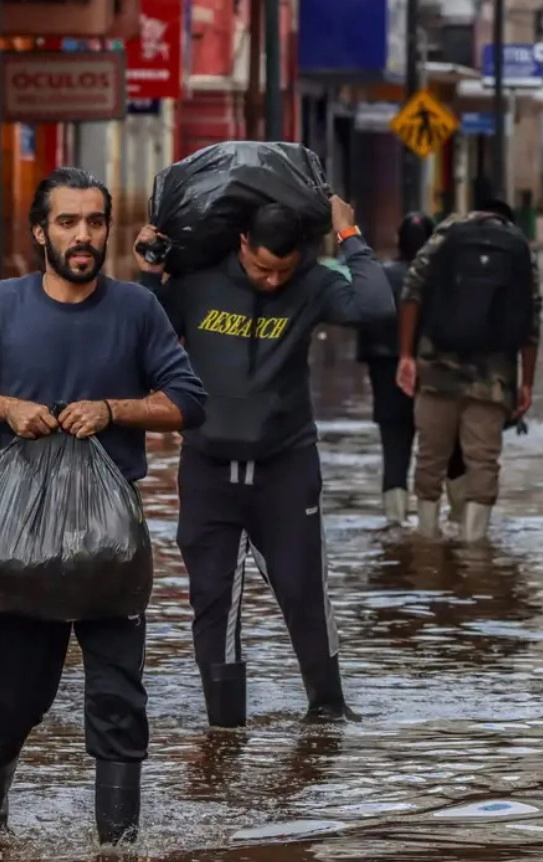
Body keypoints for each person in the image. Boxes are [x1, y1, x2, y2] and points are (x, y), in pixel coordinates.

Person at [0, 167, 207, 844]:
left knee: (118, 698)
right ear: (40, 231)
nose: (84, 236)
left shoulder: (137, 309)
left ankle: (118, 845)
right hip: (21, 541)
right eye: (69, 222)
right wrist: (5, 406)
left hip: (109, 539)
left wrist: (113, 410)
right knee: (12, 703)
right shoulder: (3, 305)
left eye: (95, 222)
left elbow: (188, 401)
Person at [134, 196, 394, 728]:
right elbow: (141, 331)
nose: (273, 281)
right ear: (242, 244)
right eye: (261, 268)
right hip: (208, 466)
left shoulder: (313, 284)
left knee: (303, 590)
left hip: (286, 466)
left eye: (284, 269)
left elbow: (376, 308)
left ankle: (327, 713)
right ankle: (224, 729)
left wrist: (349, 234)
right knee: (213, 599)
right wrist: (149, 272)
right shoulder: (198, 281)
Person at [396, 199, 541, 543]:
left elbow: (411, 292)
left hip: (437, 368)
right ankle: (475, 549)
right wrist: (527, 383)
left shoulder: (447, 233)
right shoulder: (519, 246)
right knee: (483, 461)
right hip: (494, 377)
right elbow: (532, 320)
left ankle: (427, 540)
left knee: (430, 457)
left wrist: (406, 355)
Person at [356, 212, 434, 524]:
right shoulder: (438, 278)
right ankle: (439, 526)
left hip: (385, 369)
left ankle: (395, 522)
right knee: (440, 451)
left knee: (394, 448)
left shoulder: (380, 275)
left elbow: (364, 320)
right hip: (431, 371)